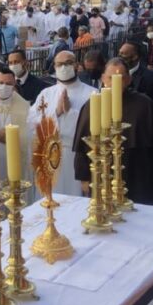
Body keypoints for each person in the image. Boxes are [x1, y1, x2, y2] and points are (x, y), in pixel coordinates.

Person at [72, 59, 153, 206]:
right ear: (103, 79)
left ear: (128, 79)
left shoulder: (144, 104)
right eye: (111, 78)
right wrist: (83, 177)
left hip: (139, 172)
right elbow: (82, 145)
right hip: (103, 173)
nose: (116, 82)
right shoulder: (93, 104)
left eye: (121, 78)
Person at [28, 52, 95, 197]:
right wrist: (56, 112)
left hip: (76, 155)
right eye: (59, 64)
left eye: (68, 63)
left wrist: (70, 112)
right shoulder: (46, 93)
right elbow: (31, 123)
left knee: (74, 200)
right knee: (49, 199)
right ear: (54, 67)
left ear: (77, 65)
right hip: (49, 154)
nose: (64, 67)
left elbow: (93, 128)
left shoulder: (92, 94)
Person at [118, 40, 153, 110]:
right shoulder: (112, 74)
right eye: (119, 53)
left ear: (135, 57)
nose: (119, 57)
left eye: (123, 54)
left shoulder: (151, 77)